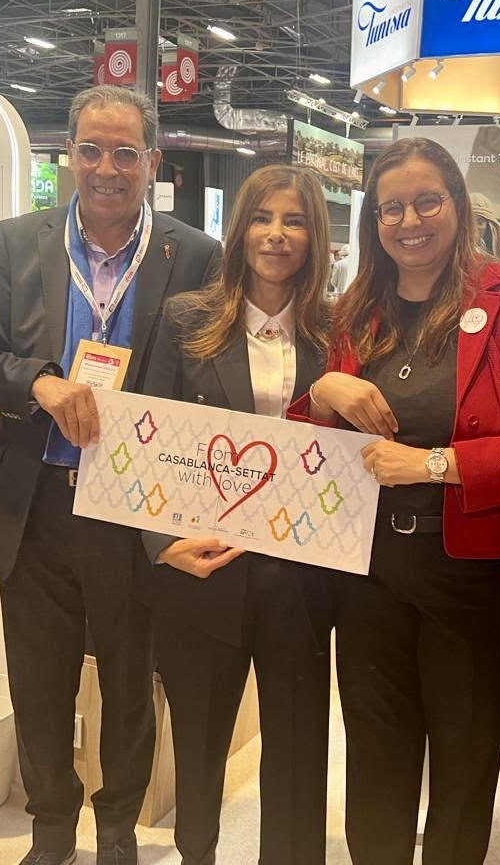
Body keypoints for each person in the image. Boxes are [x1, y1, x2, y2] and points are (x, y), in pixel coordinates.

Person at [293, 137, 500, 864]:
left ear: (458, 205)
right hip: (369, 574)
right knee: (374, 755)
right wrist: (322, 394)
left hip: (478, 578)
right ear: (373, 221)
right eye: (391, 208)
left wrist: (433, 464)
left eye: (427, 202)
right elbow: (313, 450)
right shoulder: (355, 311)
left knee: (465, 759)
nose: (409, 221)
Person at [0, 85, 221, 865]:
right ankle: (50, 829)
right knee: (38, 683)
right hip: (36, 500)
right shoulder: (17, 243)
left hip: (134, 510)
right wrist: (38, 382)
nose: (108, 168)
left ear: (153, 161)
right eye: (92, 150)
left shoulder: (193, 255)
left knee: (130, 683)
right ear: (69, 154)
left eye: (126, 153)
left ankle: (116, 829)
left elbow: (207, 381)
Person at [141, 165, 334, 865]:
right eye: (262, 218)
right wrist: (160, 542)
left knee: (298, 753)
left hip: (301, 577)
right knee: (198, 749)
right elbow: (146, 437)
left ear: (316, 236)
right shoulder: (186, 319)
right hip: (203, 569)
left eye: (294, 221)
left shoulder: (337, 332)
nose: (276, 235)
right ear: (240, 228)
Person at [471, 191, 500, 260]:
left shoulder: (492, 246)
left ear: (488, 226)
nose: (474, 227)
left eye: (480, 222)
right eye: (469, 221)